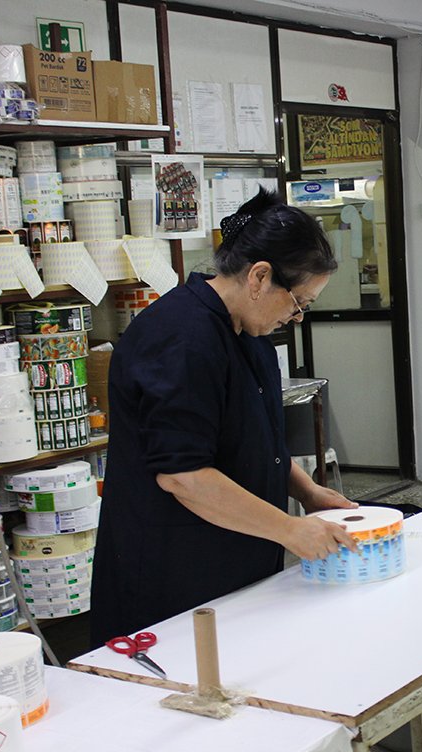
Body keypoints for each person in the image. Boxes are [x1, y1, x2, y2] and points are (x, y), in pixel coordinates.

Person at [90, 189, 359, 646]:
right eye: (299, 302)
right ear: (260, 276)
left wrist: (307, 492)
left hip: (239, 558)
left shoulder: (248, 334)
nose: (297, 317)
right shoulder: (180, 338)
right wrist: (290, 529)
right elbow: (184, 476)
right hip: (174, 575)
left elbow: (255, 441)